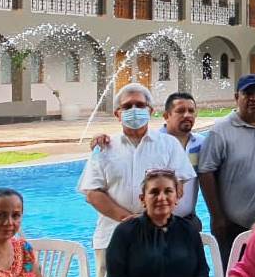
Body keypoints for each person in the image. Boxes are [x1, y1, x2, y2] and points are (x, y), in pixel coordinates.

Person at [77, 82, 195, 265]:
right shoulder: (104, 148)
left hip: (159, 237)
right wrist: (129, 220)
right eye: (127, 106)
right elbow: (92, 193)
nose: (134, 110)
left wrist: (149, 220)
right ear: (117, 114)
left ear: (150, 110)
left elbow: (178, 186)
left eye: (140, 105)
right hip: (112, 237)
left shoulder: (169, 145)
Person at [199, 74, 255, 259]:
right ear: (236, 97)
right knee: (235, 275)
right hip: (234, 227)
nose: (254, 98)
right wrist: (217, 217)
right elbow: (205, 171)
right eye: (247, 93)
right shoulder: (220, 131)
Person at [160, 92, 206, 230]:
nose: (187, 115)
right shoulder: (154, 143)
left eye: (191, 111)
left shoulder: (201, 143)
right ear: (166, 116)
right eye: (180, 111)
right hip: (158, 224)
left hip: (189, 220)